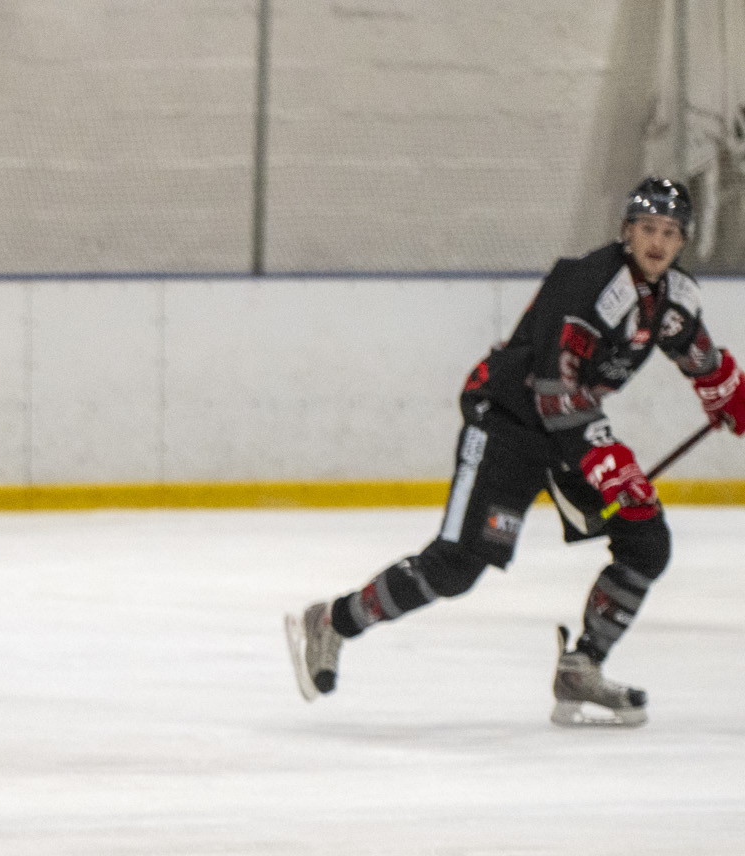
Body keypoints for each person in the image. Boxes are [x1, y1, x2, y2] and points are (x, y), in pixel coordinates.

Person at [286, 176, 743, 728]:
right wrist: (608, 460)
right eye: (647, 227)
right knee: (456, 566)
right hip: (507, 419)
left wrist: (730, 396)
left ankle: (582, 666)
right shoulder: (588, 283)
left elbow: (701, 359)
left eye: (670, 232)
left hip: (566, 432)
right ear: (626, 231)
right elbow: (556, 387)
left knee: (646, 539)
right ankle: (333, 622)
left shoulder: (673, 299)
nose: (657, 241)